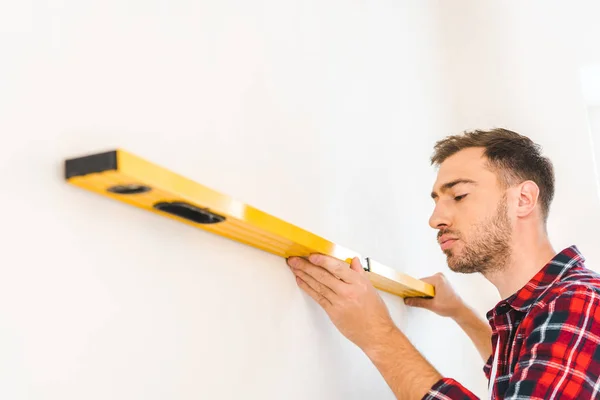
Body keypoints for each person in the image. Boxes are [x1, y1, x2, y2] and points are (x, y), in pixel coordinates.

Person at [286, 128, 600, 399]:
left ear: (523, 199)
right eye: (436, 201)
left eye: (459, 196)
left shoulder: (581, 303)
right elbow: (526, 374)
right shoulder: (543, 309)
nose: (435, 219)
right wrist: (460, 313)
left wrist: (378, 335)